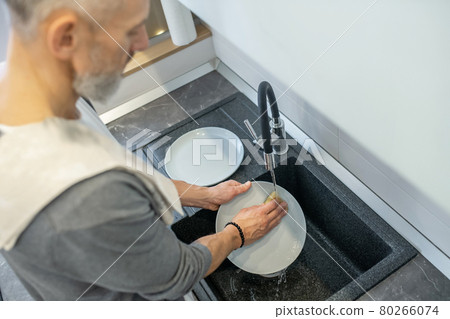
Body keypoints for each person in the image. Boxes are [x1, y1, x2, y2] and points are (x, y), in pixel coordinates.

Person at [0, 0, 287, 301]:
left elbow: (124, 173)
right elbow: (177, 275)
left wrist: (205, 195)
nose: (142, 42)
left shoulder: (26, 89)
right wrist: (236, 234)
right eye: (130, 29)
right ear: (65, 37)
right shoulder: (84, 197)